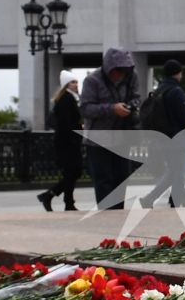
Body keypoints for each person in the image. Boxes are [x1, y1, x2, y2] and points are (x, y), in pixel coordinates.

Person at [80, 48, 138, 209]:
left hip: (122, 137)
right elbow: (85, 108)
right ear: (109, 68)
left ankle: (118, 214)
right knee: (103, 180)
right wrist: (111, 109)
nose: (120, 74)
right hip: (98, 140)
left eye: (124, 71)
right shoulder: (92, 80)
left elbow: (136, 98)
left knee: (122, 178)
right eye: (118, 70)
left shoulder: (131, 77)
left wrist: (131, 107)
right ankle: (106, 215)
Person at [138, 59, 185, 209]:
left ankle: (150, 199)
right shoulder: (176, 91)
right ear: (177, 73)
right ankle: (174, 203)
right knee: (178, 172)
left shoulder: (159, 90)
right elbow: (182, 117)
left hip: (162, 137)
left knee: (173, 171)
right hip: (176, 137)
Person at [37, 71, 84, 212]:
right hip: (68, 143)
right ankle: (51, 196)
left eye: (76, 82)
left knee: (71, 173)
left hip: (68, 141)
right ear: (66, 85)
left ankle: (65, 201)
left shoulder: (71, 98)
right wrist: (79, 129)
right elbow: (66, 123)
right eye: (72, 82)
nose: (75, 84)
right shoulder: (66, 99)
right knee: (74, 172)